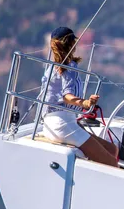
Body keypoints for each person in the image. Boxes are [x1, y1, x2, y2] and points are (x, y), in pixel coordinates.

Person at [40, 27, 118, 167]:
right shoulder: (69, 67)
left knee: (112, 150)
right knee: (111, 162)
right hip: (62, 124)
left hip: (53, 123)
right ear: (72, 44)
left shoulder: (52, 66)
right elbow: (67, 96)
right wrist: (86, 103)